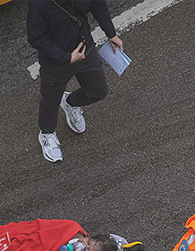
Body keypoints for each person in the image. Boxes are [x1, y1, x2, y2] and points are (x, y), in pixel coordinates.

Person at [27, 0, 123, 163]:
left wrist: (111, 33)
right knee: (50, 101)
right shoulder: (39, 4)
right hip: (56, 64)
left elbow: (98, 5)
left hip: (86, 50)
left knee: (98, 91)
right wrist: (66, 58)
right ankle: (47, 133)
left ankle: (70, 103)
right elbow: (35, 37)